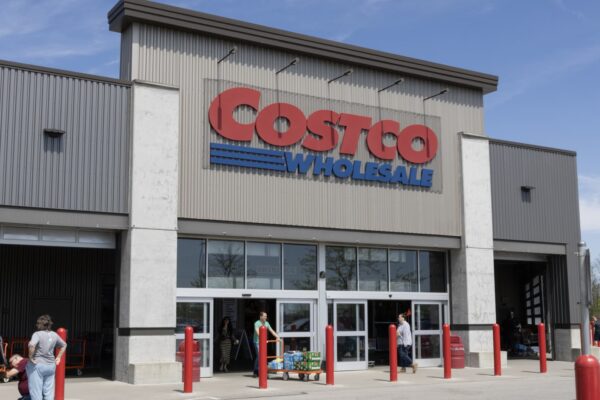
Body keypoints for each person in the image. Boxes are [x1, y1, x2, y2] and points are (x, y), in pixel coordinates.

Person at [27, 315, 67, 400]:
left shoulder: (37, 334)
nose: (36, 325)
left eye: (37, 323)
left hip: (38, 365)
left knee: (36, 392)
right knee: (48, 392)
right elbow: (64, 345)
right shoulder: (54, 334)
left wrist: (30, 357)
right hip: (51, 365)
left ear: (41, 324)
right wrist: (58, 357)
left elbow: (32, 345)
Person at [253, 311, 279, 377]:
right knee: (259, 355)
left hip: (263, 342)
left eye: (266, 316)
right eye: (264, 316)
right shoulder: (257, 323)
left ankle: (261, 371)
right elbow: (257, 332)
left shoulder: (267, 323)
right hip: (257, 342)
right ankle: (256, 371)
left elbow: (271, 330)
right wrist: (263, 338)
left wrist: (277, 337)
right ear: (260, 317)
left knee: (263, 356)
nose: (265, 317)